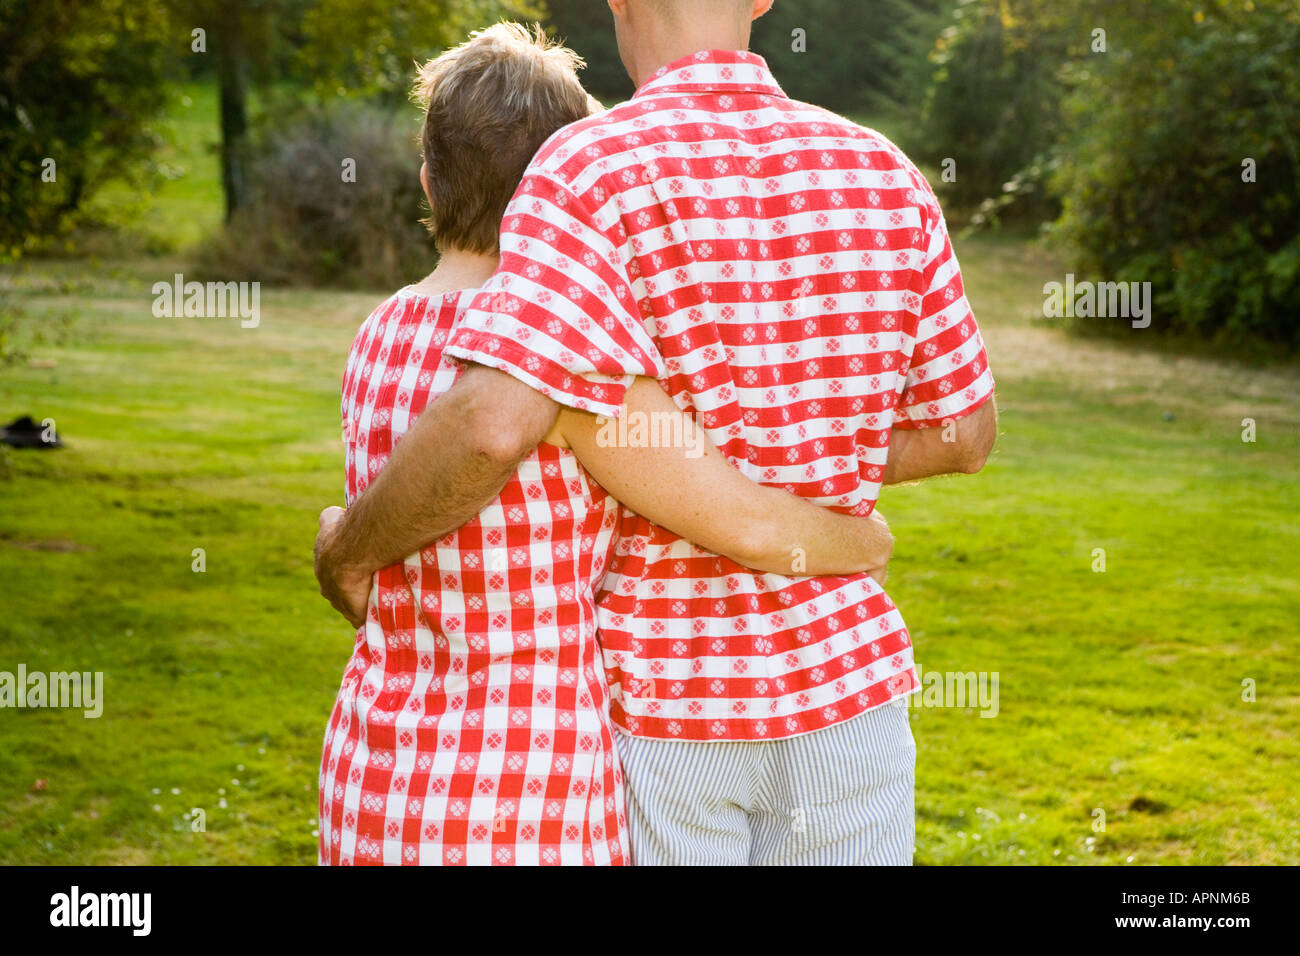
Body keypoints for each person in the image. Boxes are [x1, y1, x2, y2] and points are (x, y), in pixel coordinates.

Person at [317, 0, 997, 865]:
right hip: (848, 686)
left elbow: (498, 417)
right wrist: (825, 457)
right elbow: (962, 430)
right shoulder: (884, 168)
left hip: (672, 698)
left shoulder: (588, 168)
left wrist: (347, 550)